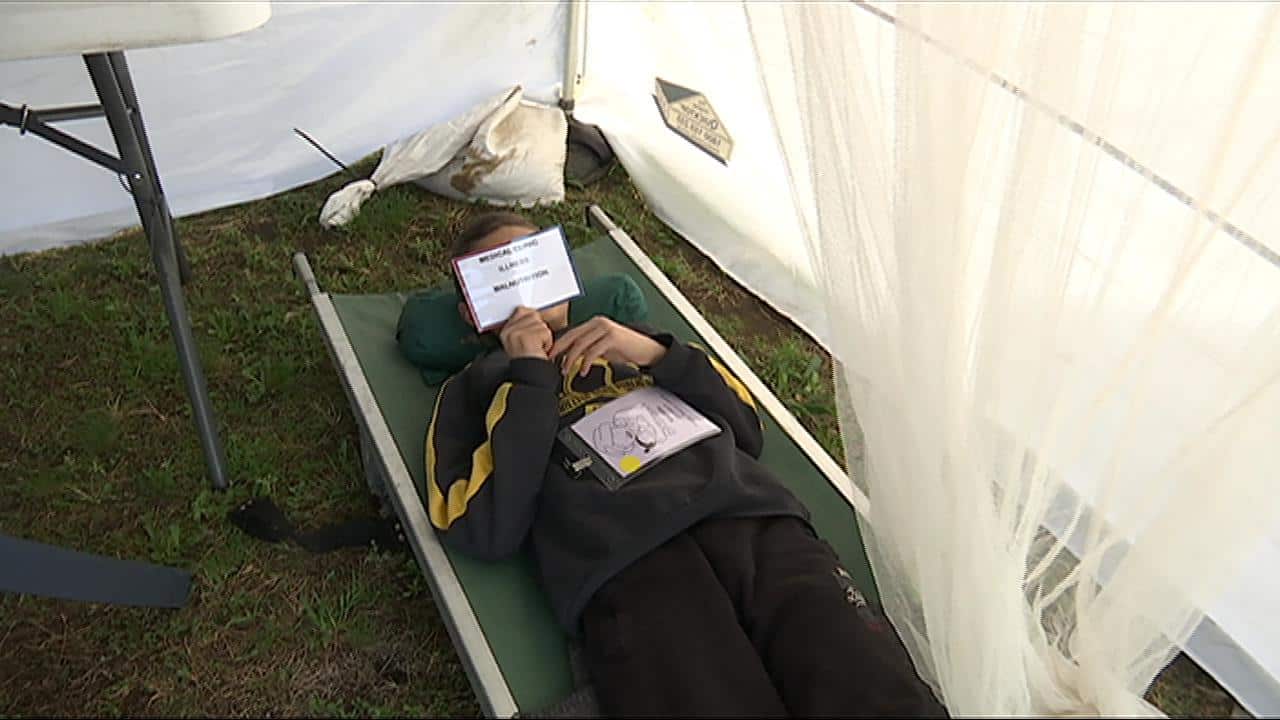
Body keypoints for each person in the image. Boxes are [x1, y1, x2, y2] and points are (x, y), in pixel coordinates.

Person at [424, 211, 946, 717]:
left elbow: (746, 427)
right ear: (472, 313)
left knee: (871, 685)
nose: (525, 291)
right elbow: (481, 526)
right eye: (499, 279)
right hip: (628, 567)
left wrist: (656, 353)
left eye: (532, 263)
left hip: (754, 524)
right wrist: (529, 377)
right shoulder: (475, 389)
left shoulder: (635, 344)